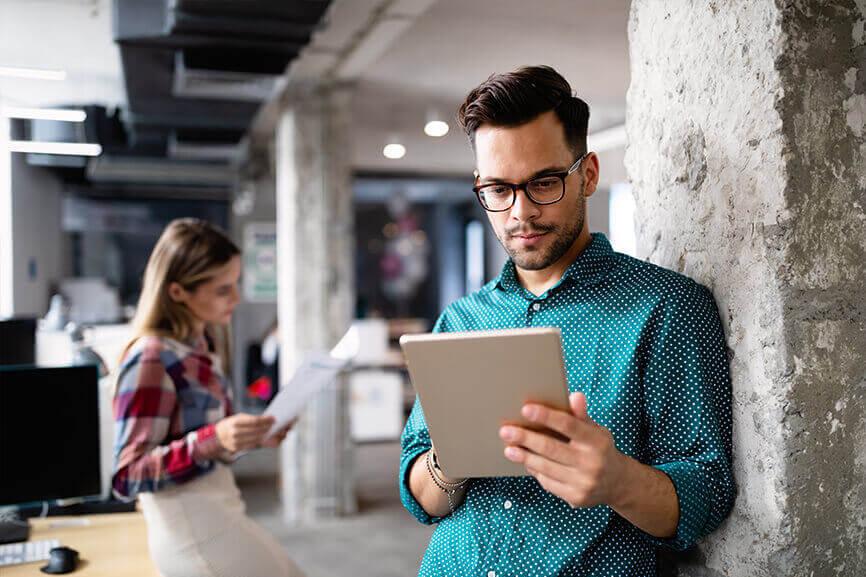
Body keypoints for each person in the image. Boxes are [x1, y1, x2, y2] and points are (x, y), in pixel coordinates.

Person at [399, 66, 736, 576]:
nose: (520, 213)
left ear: (589, 174)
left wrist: (618, 481)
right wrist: (450, 459)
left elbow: (708, 494)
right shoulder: (462, 320)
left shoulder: (667, 306)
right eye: (498, 190)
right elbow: (421, 498)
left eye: (544, 183)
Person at [112, 218, 304, 577]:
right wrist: (213, 440)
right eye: (222, 290)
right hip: (191, 529)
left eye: (236, 284)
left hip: (221, 510)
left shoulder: (201, 348)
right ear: (177, 292)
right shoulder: (151, 358)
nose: (236, 298)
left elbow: (205, 444)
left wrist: (251, 438)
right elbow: (127, 476)